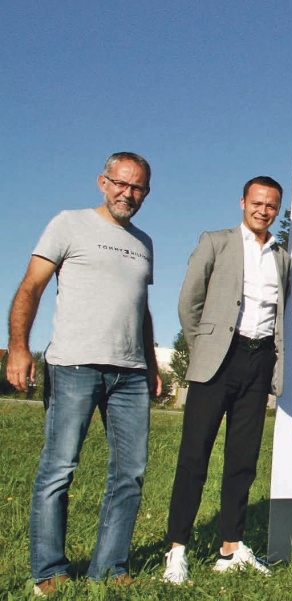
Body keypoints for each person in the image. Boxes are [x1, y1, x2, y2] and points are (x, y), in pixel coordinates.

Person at [5, 152, 160, 595]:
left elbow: (142, 309)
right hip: (73, 365)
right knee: (59, 469)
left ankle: (109, 567)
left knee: (130, 472)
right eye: (121, 183)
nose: (127, 194)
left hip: (129, 375)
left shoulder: (144, 242)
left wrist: (149, 363)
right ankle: (48, 571)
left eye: (138, 188)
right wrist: (18, 348)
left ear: (146, 194)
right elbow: (30, 286)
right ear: (102, 182)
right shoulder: (67, 223)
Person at [162, 176, 292, 584]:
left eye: (271, 205)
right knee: (194, 457)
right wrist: (204, 344)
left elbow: (280, 313)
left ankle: (230, 548)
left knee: (242, 461)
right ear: (242, 203)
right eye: (256, 202)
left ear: (277, 209)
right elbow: (189, 302)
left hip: (258, 362)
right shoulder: (215, 242)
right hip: (217, 360)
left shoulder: (282, 258)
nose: (263, 210)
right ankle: (176, 549)